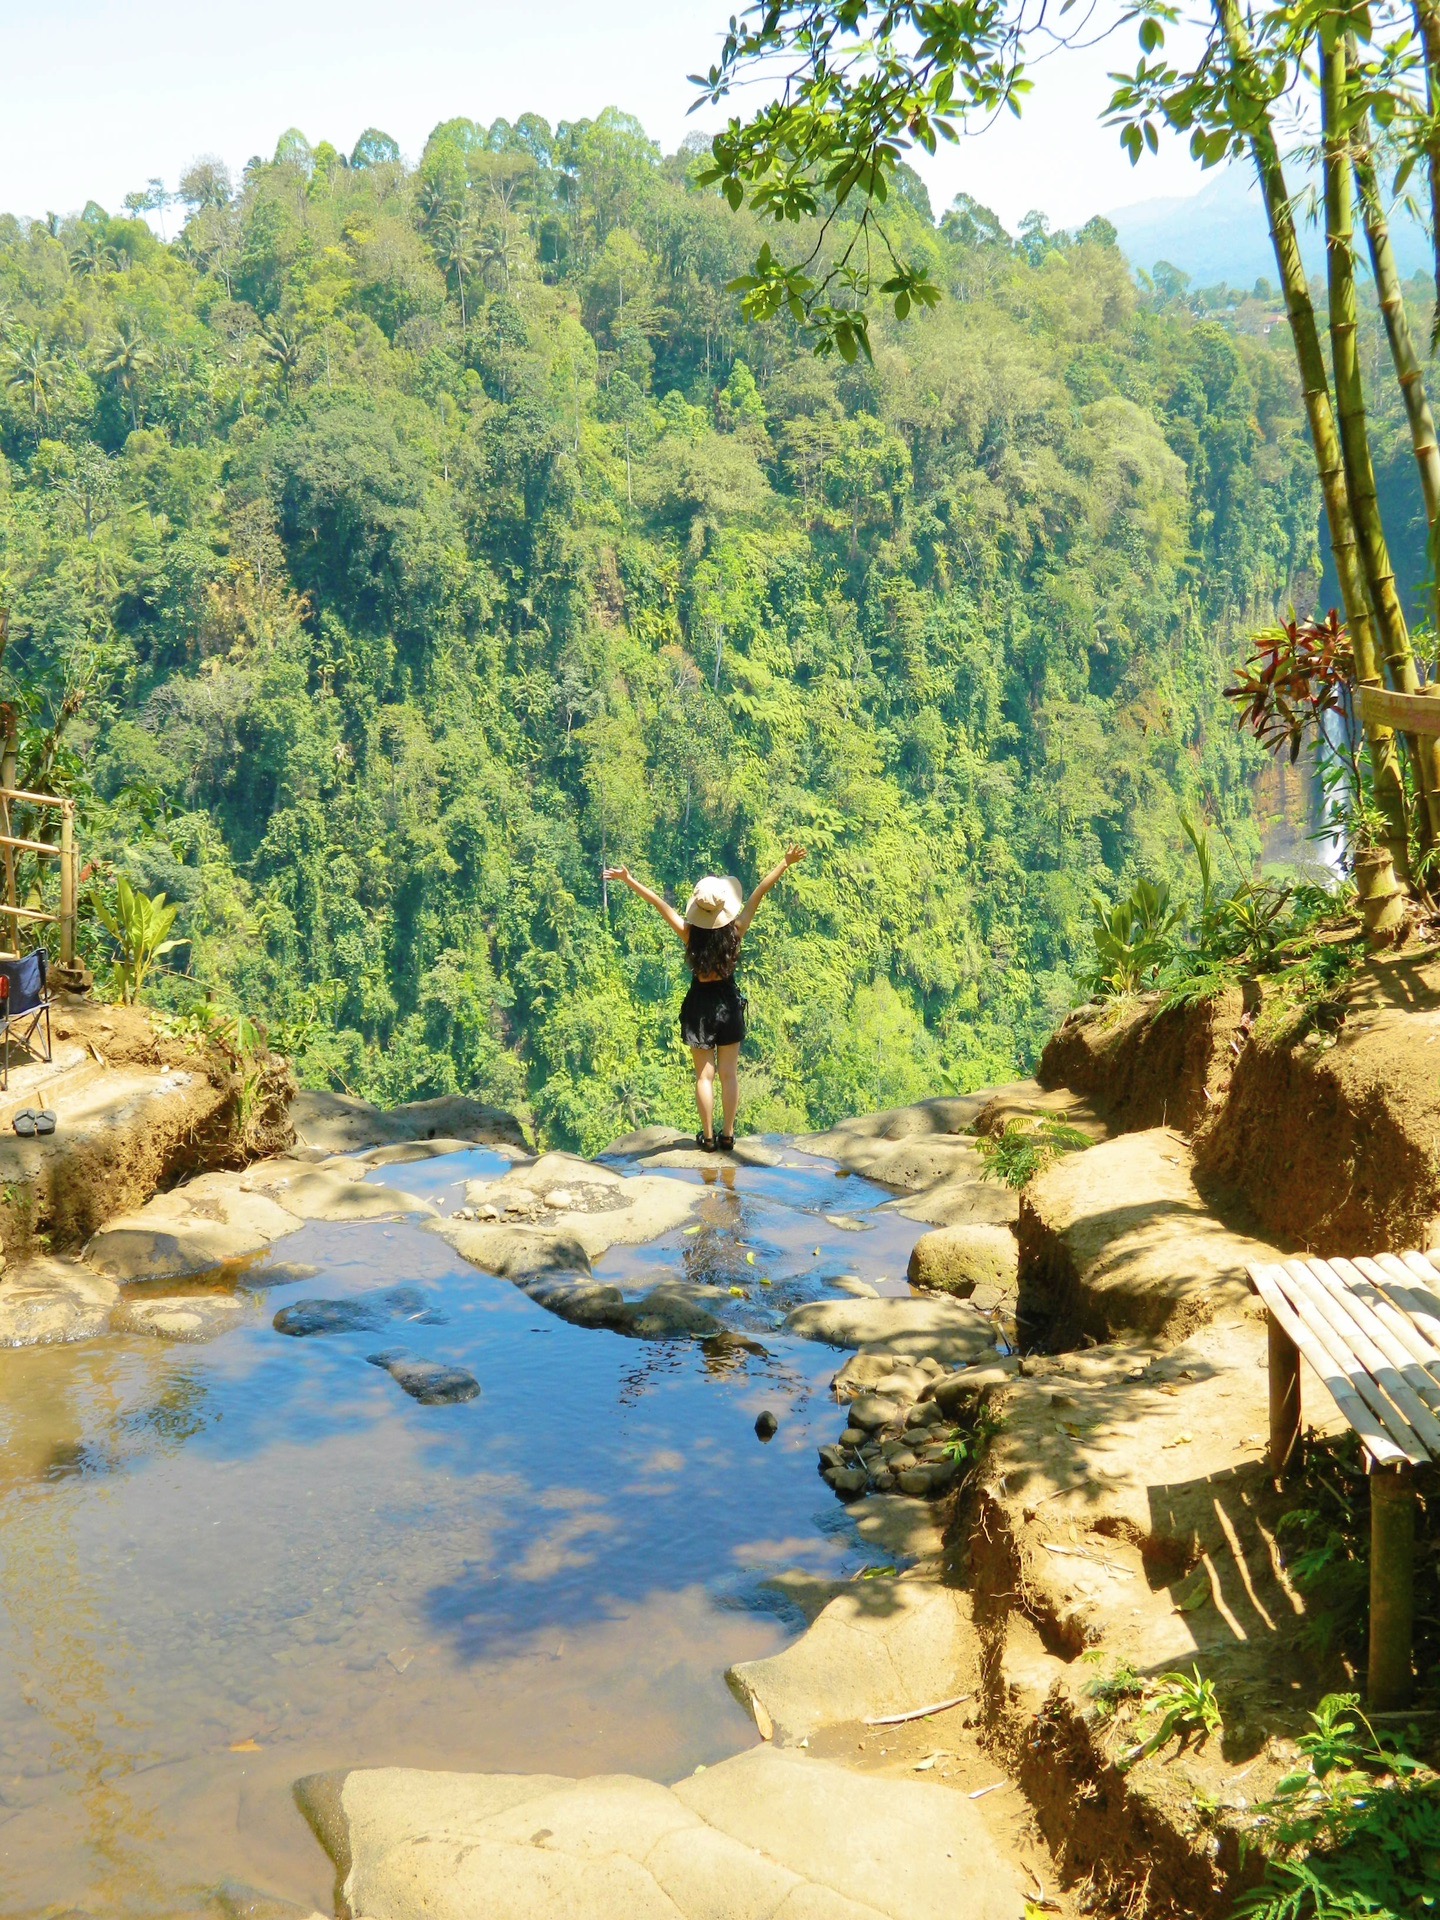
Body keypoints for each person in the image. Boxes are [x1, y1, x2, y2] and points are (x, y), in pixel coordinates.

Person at [602, 848, 806, 1151]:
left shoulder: (689, 934)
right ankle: (728, 1135)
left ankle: (708, 1137)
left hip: (700, 1005)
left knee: (704, 1076)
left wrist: (629, 880)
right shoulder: (736, 931)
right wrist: (785, 863)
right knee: (728, 1074)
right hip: (727, 1002)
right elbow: (761, 891)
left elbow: (659, 904)